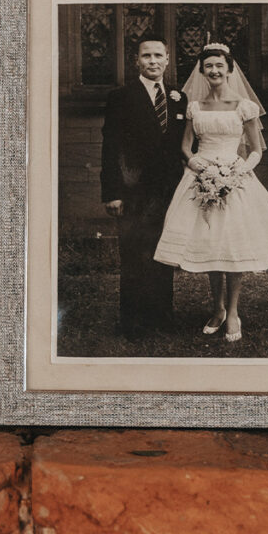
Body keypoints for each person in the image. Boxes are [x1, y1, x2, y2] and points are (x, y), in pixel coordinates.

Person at [154, 42, 268, 342]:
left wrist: (237, 171)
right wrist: (198, 165)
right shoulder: (194, 107)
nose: (214, 70)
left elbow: (255, 150)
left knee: (232, 245)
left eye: (219, 65)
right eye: (208, 66)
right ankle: (217, 308)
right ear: (202, 71)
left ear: (229, 69)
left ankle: (234, 311)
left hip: (234, 177)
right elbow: (186, 147)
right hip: (201, 178)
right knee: (211, 243)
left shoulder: (244, 107)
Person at [101, 35, 187, 338]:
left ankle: (163, 316)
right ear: (137, 61)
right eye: (146, 56)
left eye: (158, 55)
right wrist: (112, 193)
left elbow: (183, 146)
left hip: (169, 190)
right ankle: (133, 322)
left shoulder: (178, 97)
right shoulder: (121, 97)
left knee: (164, 252)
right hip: (133, 188)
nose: (152, 61)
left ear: (167, 59)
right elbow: (110, 147)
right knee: (134, 253)